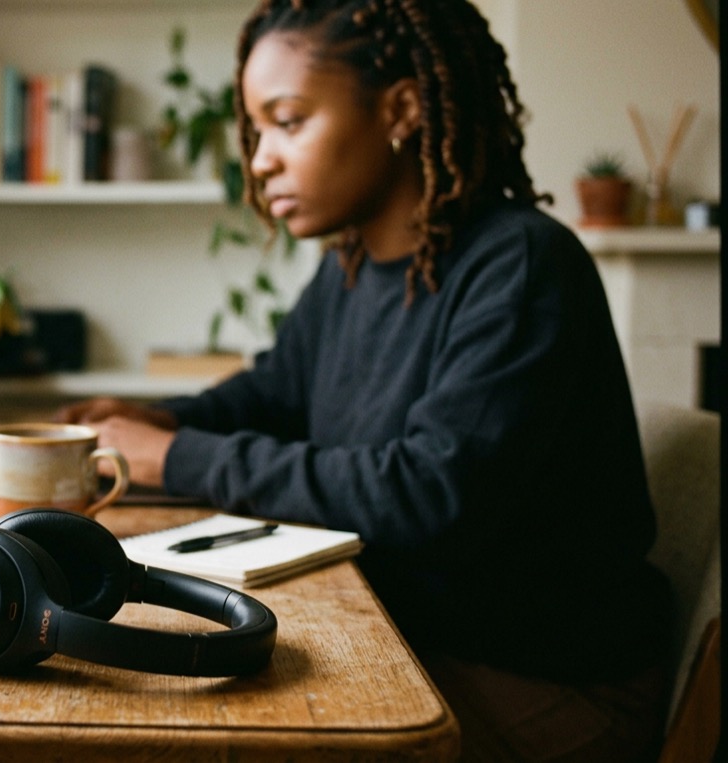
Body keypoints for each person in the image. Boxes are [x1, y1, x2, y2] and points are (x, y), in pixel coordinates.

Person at [57, 1, 672, 760]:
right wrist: (147, 420)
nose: (260, 160)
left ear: (403, 109)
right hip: (420, 635)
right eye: (258, 132)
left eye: (288, 121)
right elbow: (274, 394)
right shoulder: (350, 267)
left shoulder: (521, 266)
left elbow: (428, 494)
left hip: (549, 681)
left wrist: (172, 455)